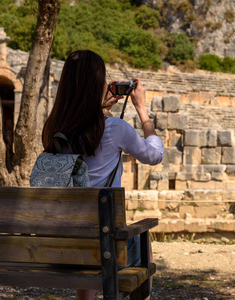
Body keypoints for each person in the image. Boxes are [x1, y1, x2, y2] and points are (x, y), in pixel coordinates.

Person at [41, 50, 164, 300]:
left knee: (88, 234)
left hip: (63, 244)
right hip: (104, 244)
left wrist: (100, 108)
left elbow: (82, 125)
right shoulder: (114, 129)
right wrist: (142, 111)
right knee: (142, 239)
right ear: (97, 85)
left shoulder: (53, 128)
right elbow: (153, 156)